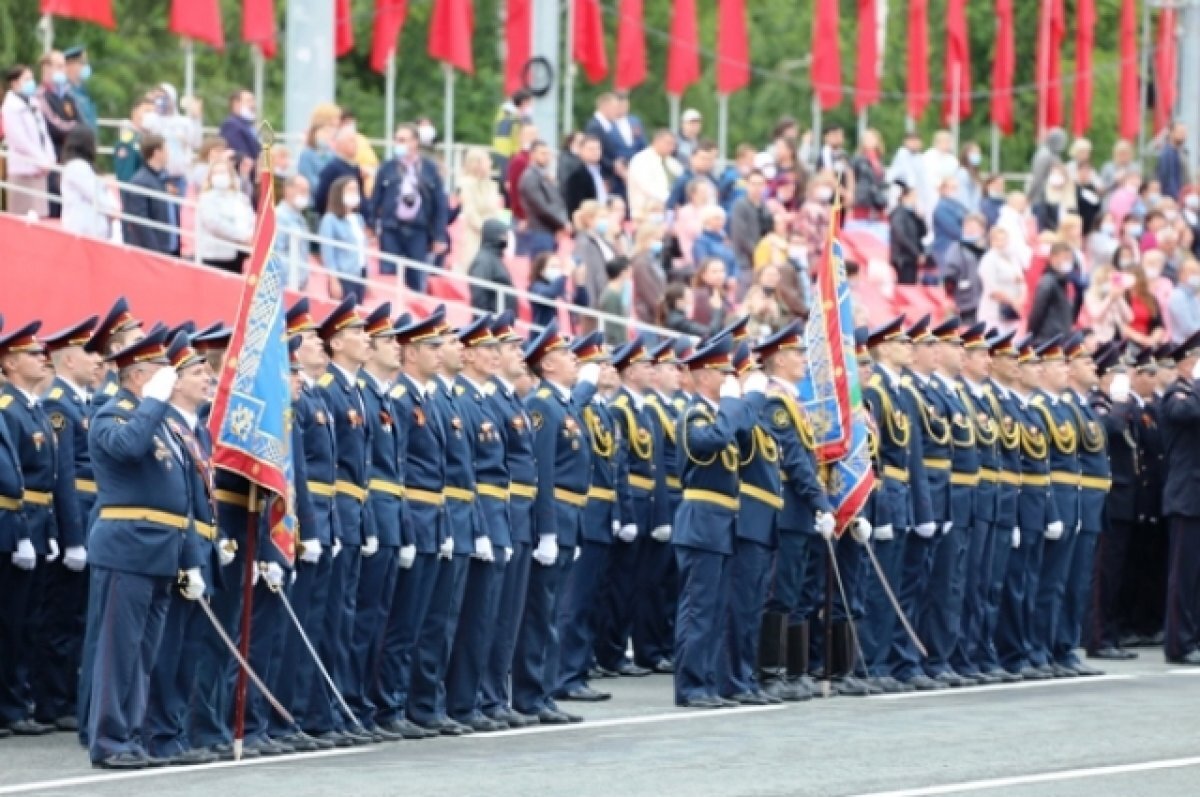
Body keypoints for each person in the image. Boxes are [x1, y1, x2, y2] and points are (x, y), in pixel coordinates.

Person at [82, 327, 202, 768]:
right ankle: (109, 741)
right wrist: (152, 401)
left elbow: (182, 496)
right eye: (159, 374)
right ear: (137, 378)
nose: (170, 381)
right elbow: (129, 449)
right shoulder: (111, 416)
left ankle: (132, 736)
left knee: (143, 655)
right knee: (119, 652)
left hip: (163, 550)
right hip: (127, 548)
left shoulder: (162, 423)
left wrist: (191, 559)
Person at [672, 335, 764, 708]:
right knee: (698, 608)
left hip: (723, 522)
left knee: (715, 610)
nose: (730, 377)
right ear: (702, 376)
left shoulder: (721, 413)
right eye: (722, 372)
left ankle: (708, 682)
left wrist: (747, 402)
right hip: (701, 521)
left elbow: (742, 433)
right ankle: (691, 686)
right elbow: (714, 439)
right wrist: (732, 402)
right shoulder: (693, 414)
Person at [514, 320, 598, 723]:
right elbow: (543, 472)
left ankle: (542, 691)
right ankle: (531, 694)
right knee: (540, 612)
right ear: (546, 365)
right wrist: (546, 529)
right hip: (554, 517)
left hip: (570, 517)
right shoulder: (543, 405)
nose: (573, 359)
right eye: (564, 354)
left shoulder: (562, 404)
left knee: (549, 612)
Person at [1157, 331, 1200, 665]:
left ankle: (1193, 636)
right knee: (1182, 576)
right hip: (1186, 496)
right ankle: (1178, 643)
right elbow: (1185, 416)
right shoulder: (1178, 393)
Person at [370, 124, 449, 289]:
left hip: (418, 230)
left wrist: (439, 236)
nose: (398, 144)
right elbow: (375, 199)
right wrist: (371, 225)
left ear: (414, 142)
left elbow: (440, 204)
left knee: (416, 279)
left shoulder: (429, 169)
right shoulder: (387, 168)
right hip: (391, 228)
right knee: (389, 277)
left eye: (402, 140)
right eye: (396, 140)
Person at [2, 64, 55, 218]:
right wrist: (39, 159)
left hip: (40, 169)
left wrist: (49, 157)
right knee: (22, 216)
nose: (31, 82)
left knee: (40, 216)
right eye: (27, 79)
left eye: (32, 78)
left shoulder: (33, 104)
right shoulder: (10, 107)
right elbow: (19, 140)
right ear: (15, 83)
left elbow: (43, 134)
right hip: (23, 169)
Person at [196, 157, 255, 274]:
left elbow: (250, 218)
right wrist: (242, 236)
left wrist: (250, 236)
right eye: (216, 173)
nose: (220, 176)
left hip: (239, 253)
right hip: (215, 255)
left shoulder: (240, 197)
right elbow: (214, 224)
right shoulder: (206, 198)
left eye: (223, 172)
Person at [121, 134, 178, 256]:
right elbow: (140, 222)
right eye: (166, 150)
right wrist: (155, 251)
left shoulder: (162, 178)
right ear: (157, 153)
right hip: (156, 251)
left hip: (167, 247)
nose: (168, 154)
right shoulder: (140, 182)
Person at [319, 176, 370, 304]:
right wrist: (333, 280)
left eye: (356, 190)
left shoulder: (358, 219)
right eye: (350, 190)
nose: (354, 193)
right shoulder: (330, 220)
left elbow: (363, 250)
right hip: (344, 275)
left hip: (360, 273)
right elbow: (328, 253)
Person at [144, 85, 202, 198]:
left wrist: (196, 119)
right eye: (157, 97)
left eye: (163, 96)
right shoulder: (151, 118)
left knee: (177, 211)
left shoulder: (184, 122)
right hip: (158, 174)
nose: (160, 100)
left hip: (179, 175)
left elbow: (196, 143)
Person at [60, 126, 114, 240]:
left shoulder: (83, 166)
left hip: (90, 229)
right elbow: (93, 193)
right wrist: (112, 209)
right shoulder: (77, 166)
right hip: (83, 230)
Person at [519, 139, 571, 259]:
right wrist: (562, 222)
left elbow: (557, 201)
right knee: (542, 268)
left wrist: (561, 223)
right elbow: (541, 206)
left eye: (548, 153)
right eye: (542, 153)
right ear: (532, 155)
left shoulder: (544, 175)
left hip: (550, 230)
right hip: (540, 230)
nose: (546, 157)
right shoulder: (530, 177)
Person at [456, 147, 503, 271]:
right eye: (487, 160)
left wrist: (500, 230)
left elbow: (496, 210)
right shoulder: (466, 184)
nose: (490, 163)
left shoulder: (492, 185)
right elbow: (470, 213)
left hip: (493, 237)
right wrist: (487, 231)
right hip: (475, 236)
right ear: (477, 163)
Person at [1028, 242, 1080, 345]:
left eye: (1070, 258)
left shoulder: (1065, 282)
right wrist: (1032, 335)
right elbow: (1037, 311)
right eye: (1065, 258)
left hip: (1061, 339)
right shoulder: (1048, 281)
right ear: (1053, 258)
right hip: (1047, 340)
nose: (1068, 262)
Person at [573, 200, 616, 321]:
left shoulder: (603, 241)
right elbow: (587, 278)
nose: (606, 221)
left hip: (608, 301)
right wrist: (591, 310)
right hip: (596, 306)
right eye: (602, 217)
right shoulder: (584, 243)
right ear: (589, 219)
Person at [941, 214, 988, 324]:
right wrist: (950, 296)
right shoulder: (957, 248)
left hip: (986, 301)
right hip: (966, 300)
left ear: (982, 229)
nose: (970, 230)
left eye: (974, 227)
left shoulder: (988, 249)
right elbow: (949, 275)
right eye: (967, 227)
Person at [627, 129, 680, 223]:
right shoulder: (641, 160)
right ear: (656, 141)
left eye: (673, 145)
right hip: (644, 213)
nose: (672, 148)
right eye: (668, 143)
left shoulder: (673, 163)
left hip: (669, 213)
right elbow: (648, 187)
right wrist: (671, 201)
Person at [730, 170, 770, 285]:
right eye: (753, 184)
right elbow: (740, 235)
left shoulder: (765, 207)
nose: (757, 188)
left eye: (760, 184)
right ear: (747, 185)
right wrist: (758, 253)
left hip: (763, 258)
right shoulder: (740, 205)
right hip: (745, 260)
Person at [468, 218, 516, 314]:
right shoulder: (483, 260)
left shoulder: (494, 259)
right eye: (504, 234)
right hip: (491, 323)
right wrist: (484, 322)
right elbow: (479, 293)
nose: (506, 238)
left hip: (499, 322)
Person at [217, 89, 260, 190]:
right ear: (236, 103)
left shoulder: (248, 126)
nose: (253, 105)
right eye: (249, 101)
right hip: (241, 177)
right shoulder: (232, 125)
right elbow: (238, 151)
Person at [275, 175, 313, 289]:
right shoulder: (278, 216)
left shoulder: (301, 219)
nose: (305, 194)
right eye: (301, 190)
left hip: (299, 282)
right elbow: (277, 253)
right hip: (285, 283)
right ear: (287, 189)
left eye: (307, 191)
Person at [1083, 264, 1133, 344]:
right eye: (1107, 281)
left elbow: (1129, 318)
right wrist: (1109, 298)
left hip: (1118, 336)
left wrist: (1119, 298)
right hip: (1100, 338)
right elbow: (1096, 316)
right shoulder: (1091, 295)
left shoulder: (1117, 296)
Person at [890, 181, 927, 285]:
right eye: (913, 196)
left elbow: (923, 233)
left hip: (911, 258)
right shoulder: (899, 213)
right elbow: (900, 236)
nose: (915, 199)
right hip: (903, 259)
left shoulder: (912, 214)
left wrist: (920, 219)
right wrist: (916, 253)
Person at [631, 220, 668, 323]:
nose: (659, 242)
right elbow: (648, 292)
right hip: (647, 315)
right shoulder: (640, 262)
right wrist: (662, 312)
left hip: (656, 312)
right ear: (646, 239)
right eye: (656, 239)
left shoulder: (652, 259)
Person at [564, 135, 608, 218]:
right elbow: (574, 205)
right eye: (591, 149)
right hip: (589, 218)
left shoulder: (605, 171)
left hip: (607, 215)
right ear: (581, 151)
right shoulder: (576, 176)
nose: (595, 152)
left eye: (598, 148)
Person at [851, 129, 889, 221]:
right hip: (863, 198)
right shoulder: (858, 159)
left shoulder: (879, 160)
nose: (869, 141)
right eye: (867, 138)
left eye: (872, 138)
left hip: (878, 200)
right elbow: (852, 178)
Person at [691, 206, 737, 281]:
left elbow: (734, 260)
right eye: (716, 219)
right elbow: (703, 264)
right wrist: (723, 279)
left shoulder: (725, 239)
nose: (720, 222)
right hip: (712, 283)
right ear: (706, 220)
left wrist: (734, 276)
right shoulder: (701, 241)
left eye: (722, 219)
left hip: (730, 283)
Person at [931, 177, 968, 269]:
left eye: (956, 188)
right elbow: (954, 230)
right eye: (953, 187)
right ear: (944, 189)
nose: (956, 190)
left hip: (958, 249)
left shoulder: (958, 205)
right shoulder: (941, 208)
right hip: (945, 249)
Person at [1027, 127, 1068, 205]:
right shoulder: (1044, 155)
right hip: (1041, 198)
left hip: (1053, 196)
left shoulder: (1055, 155)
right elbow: (1037, 178)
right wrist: (1030, 197)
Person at [597, 256, 632, 345]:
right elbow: (612, 327)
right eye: (629, 270)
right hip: (616, 345)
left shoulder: (617, 292)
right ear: (623, 272)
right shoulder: (610, 296)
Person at [528, 253, 569, 330]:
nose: (557, 270)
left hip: (559, 336)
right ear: (542, 271)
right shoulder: (536, 286)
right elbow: (549, 294)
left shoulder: (559, 286)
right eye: (553, 266)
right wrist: (564, 275)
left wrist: (580, 285)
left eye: (559, 267)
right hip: (541, 336)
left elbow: (580, 302)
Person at [1167, 259, 1200, 344]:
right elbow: (1188, 329)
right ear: (1181, 274)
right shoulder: (1177, 296)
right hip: (1181, 346)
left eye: (1198, 272)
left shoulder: (1193, 296)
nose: (1197, 276)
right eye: (1193, 272)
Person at [62, 46, 95, 130]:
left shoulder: (87, 91)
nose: (86, 66)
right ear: (70, 65)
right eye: (82, 63)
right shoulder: (65, 93)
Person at [1157, 122, 1190, 201]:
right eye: (1180, 132)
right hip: (1174, 197)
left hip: (1183, 195)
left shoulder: (1181, 152)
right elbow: (1168, 179)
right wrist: (1176, 197)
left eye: (1184, 132)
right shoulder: (1168, 153)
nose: (1183, 135)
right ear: (1171, 133)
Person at [955, 142, 985, 212]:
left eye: (978, 153)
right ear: (966, 155)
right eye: (974, 152)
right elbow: (962, 197)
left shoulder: (975, 173)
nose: (977, 155)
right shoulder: (963, 173)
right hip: (968, 213)